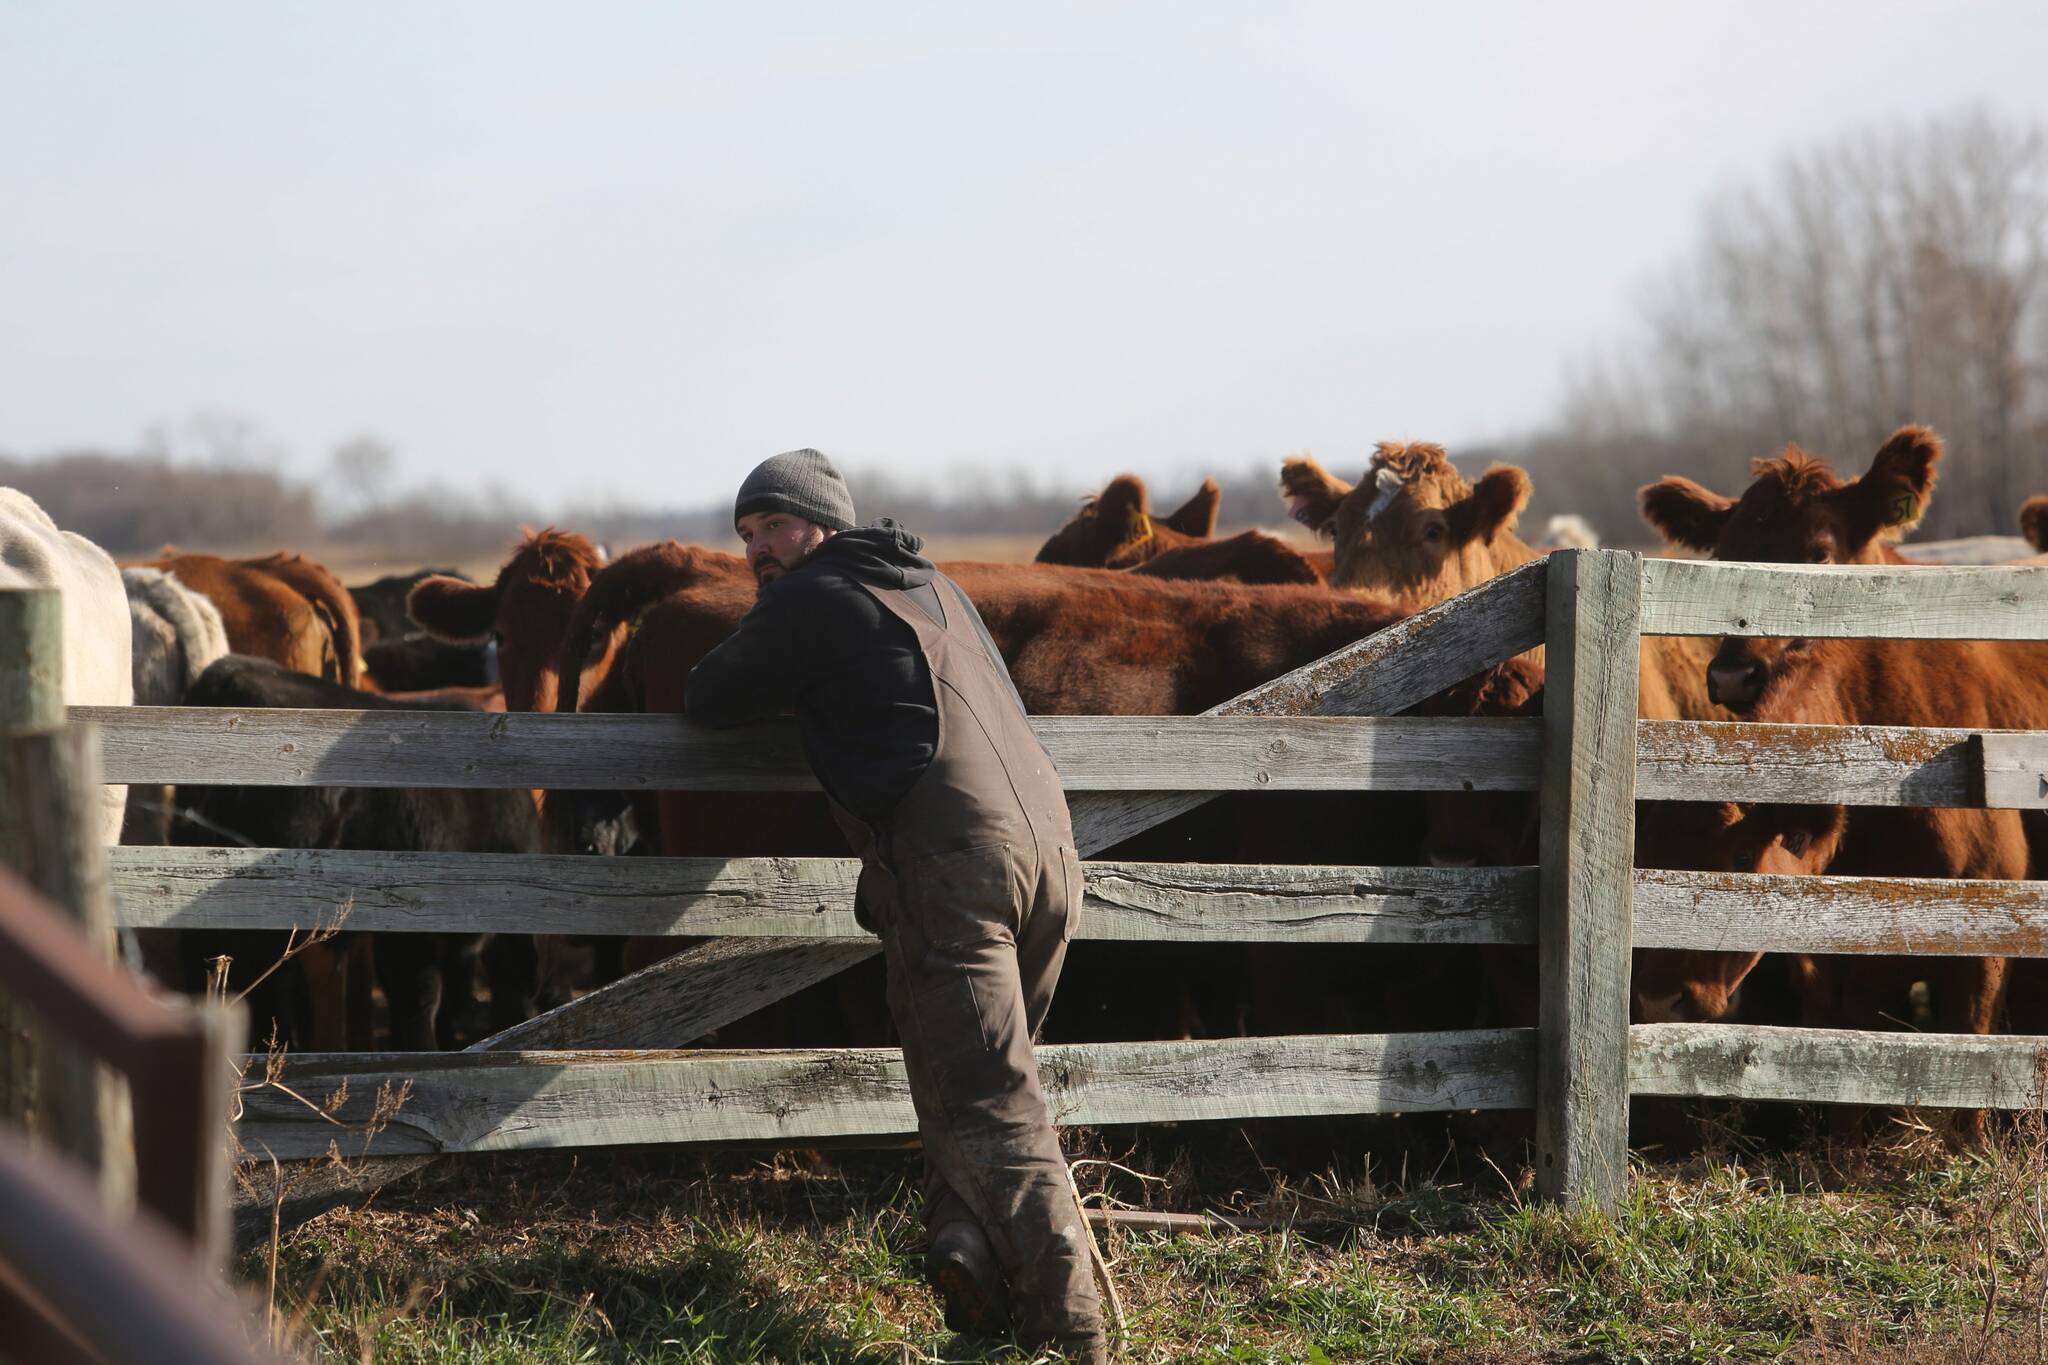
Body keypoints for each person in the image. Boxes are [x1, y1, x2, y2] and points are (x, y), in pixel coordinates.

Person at [684, 448, 1106, 1360]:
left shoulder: (812, 595)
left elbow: (711, 693)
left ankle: (1073, 1334)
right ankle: (970, 1263)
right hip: (1053, 860)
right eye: (746, 535)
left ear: (823, 526)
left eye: (775, 528)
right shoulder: (936, 588)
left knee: (992, 1101)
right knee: (975, 1079)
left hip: (951, 867)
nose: (759, 549)